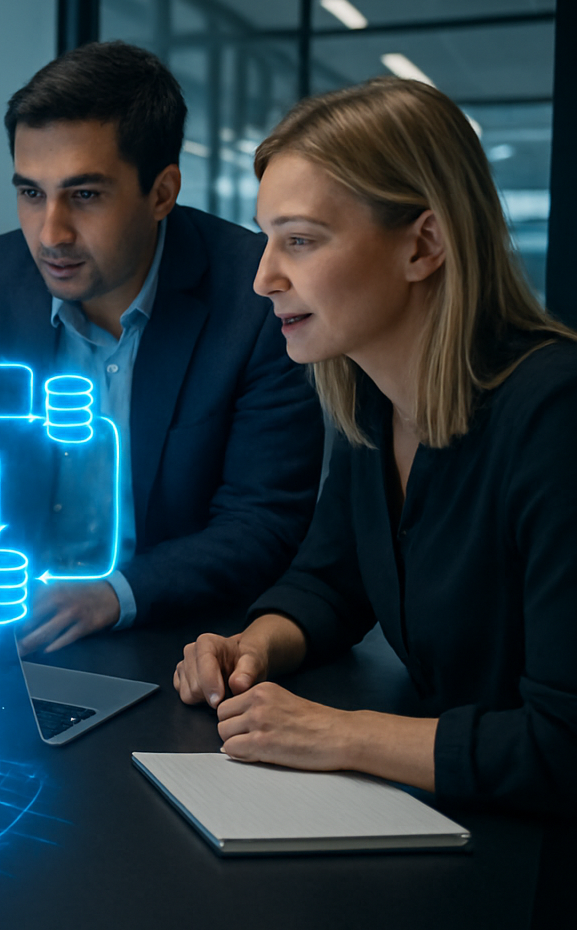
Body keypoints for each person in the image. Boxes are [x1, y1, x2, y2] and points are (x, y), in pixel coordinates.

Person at [173, 76, 577, 823]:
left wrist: (340, 734)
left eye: (300, 240)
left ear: (424, 244)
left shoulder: (555, 416)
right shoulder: (368, 392)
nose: (263, 278)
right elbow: (332, 582)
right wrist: (256, 646)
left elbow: (562, 744)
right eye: (266, 238)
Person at [0, 41, 324, 653]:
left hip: (171, 637)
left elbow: (264, 522)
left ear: (162, 193)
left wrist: (115, 595)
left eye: (85, 195)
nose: (50, 233)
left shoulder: (256, 295)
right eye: (31, 193)